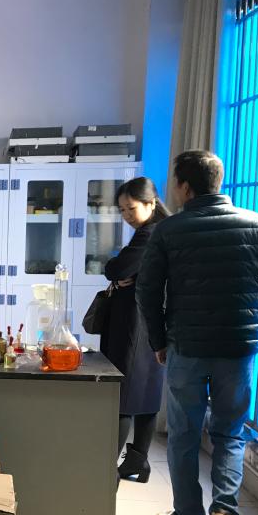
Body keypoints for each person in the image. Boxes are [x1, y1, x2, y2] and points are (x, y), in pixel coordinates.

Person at [137, 150, 258, 515]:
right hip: (238, 350)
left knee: (184, 434)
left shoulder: (170, 230)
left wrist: (158, 341)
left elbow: (148, 289)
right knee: (230, 433)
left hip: (187, 347)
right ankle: (224, 513)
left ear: (185, 187)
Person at [100, 177, 170, 483]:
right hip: (151, 321)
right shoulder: (159, 230)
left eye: (131, 208)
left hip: (137, 323)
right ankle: (137, 462)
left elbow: (116, 268)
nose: (126, 215)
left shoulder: (150, 234)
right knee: (146, 392)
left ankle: (106, 471)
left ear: (151, 204)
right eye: (122, 210)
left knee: (125, 395)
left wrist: (120, 272)